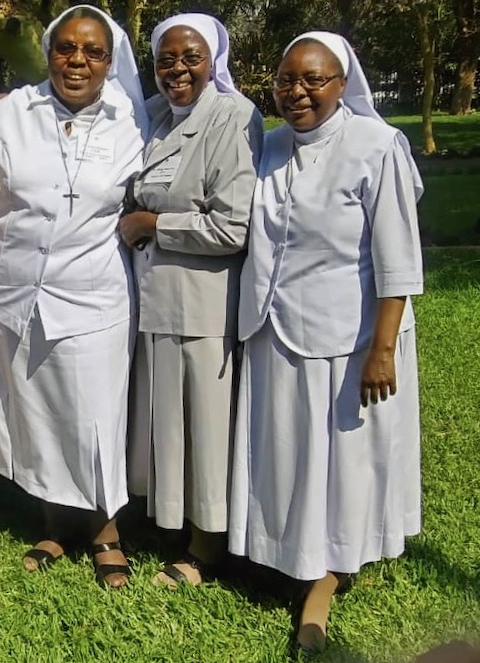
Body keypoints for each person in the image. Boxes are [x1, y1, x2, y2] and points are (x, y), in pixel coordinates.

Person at [228, 31, 424, 651]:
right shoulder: (270, 144)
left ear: (344, 83)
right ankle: (283, 549)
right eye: (287, 80)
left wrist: (383, 349)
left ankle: (327, 573)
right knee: (285, 451)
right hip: (273, 326)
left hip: (349, 336)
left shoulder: (377, 146)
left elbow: (397, 259)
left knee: (341, 464)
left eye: (314, 80)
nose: (298, 92)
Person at [0, 5, 146, 588]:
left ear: (109, 60)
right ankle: (52, 521)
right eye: (66, 48)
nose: (78, 61)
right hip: (11, 289)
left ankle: (104, 531)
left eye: (93, 52)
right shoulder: (8, 115)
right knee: (34, 412)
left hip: (92, 293)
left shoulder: (132, 122)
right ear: (48, 53)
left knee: (94, 416)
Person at [120, 13, 262, 589]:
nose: (177, 69)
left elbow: (233, 225)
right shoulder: (153, 117)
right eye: (166, 59)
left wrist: (154, 223)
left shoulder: (233, 117)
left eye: (191, 57)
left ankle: (207, 547)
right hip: (154, 300)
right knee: (167, 422)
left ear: (215, 59)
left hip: (202, 303)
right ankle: (173, 524)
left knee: (204, 424)